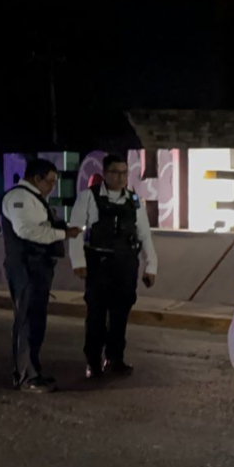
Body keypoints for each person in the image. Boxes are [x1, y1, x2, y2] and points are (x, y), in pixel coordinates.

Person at [69, 154, 158, 379]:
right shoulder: (88, 197)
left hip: (126, 263)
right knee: (97, 314)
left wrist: (151, 265)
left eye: (124, 173)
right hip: (99, 263)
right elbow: (75, 232)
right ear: (105, 173)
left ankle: (115, 358)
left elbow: (144, 233)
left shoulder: (133, 200)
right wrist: (78, 262)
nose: (120, 178)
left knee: (120, 314)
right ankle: (93, 361)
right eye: (115, 173)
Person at [0, 158, 83, 393]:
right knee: (27, 321)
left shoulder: (35, 199)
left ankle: (33, 371)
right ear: (37, 178)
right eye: (51, 182)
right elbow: (26, 231)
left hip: (38, 267)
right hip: (25, 267)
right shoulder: (19, 198)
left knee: (37, 322)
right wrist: (62, 233)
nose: (53, 187)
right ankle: (25, 376)